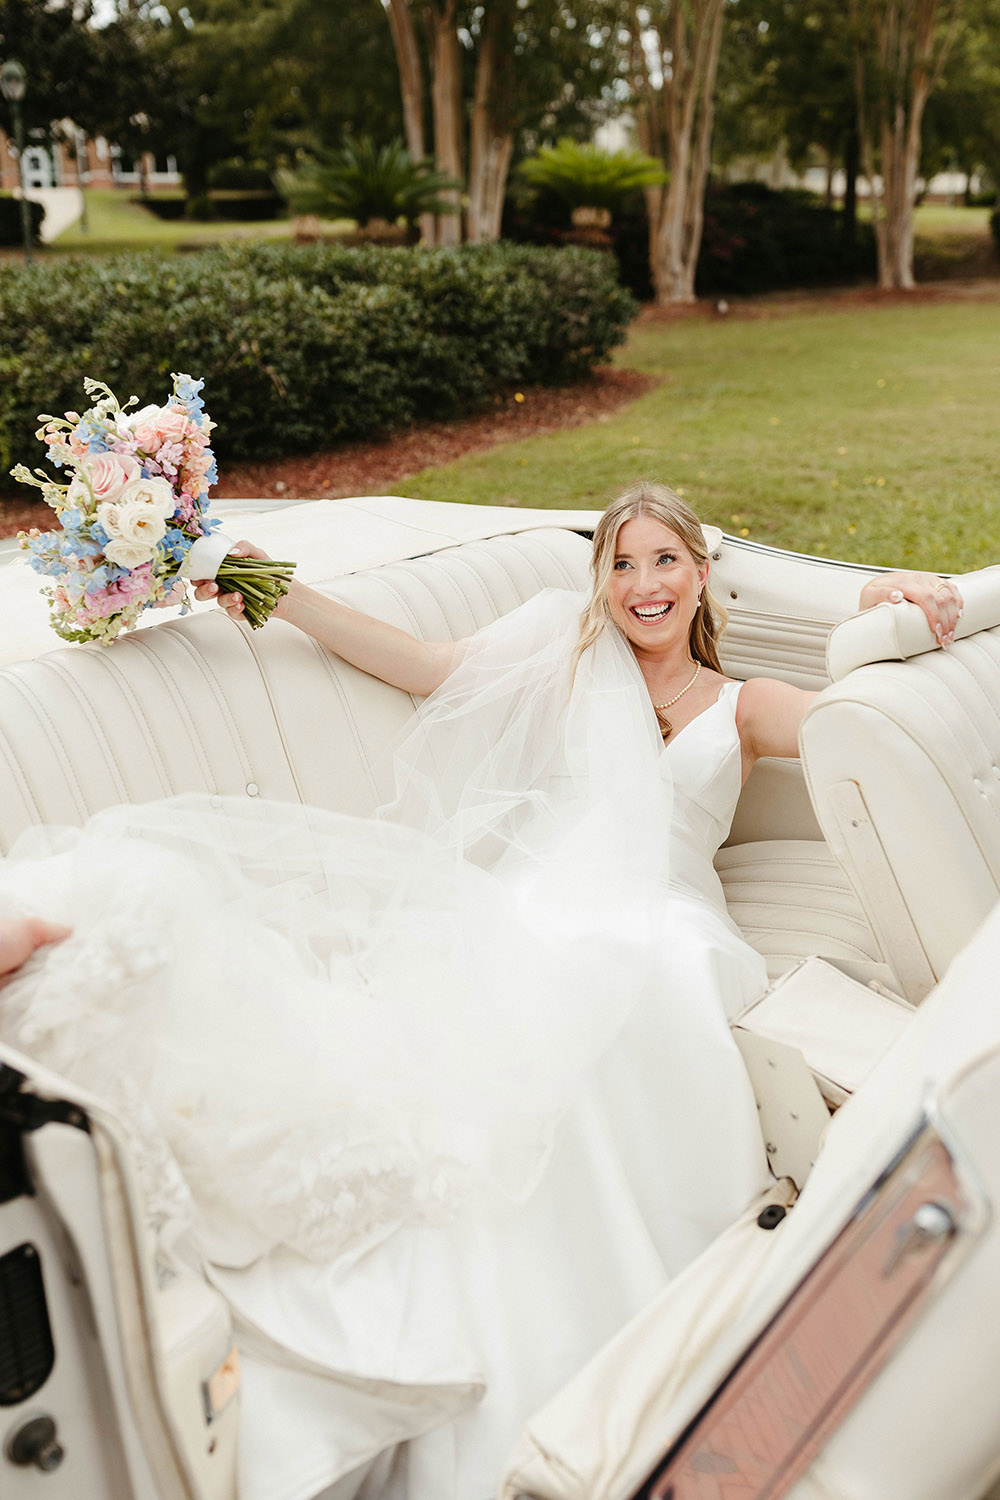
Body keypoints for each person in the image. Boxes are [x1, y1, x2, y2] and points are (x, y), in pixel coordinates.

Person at [0, 483, 963, 1500]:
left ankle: (626, 1320)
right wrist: (277, 592)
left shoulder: (745, 704)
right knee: (519, 1018)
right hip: (535, 902)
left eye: (664, 562)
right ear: (601, 581)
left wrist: (888, 620)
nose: (644, 586)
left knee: (650, 982)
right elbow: (424, 668)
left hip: (669, 914)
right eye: (622, 565)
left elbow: (861, 730)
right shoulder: (567, 660)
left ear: (700, 574)